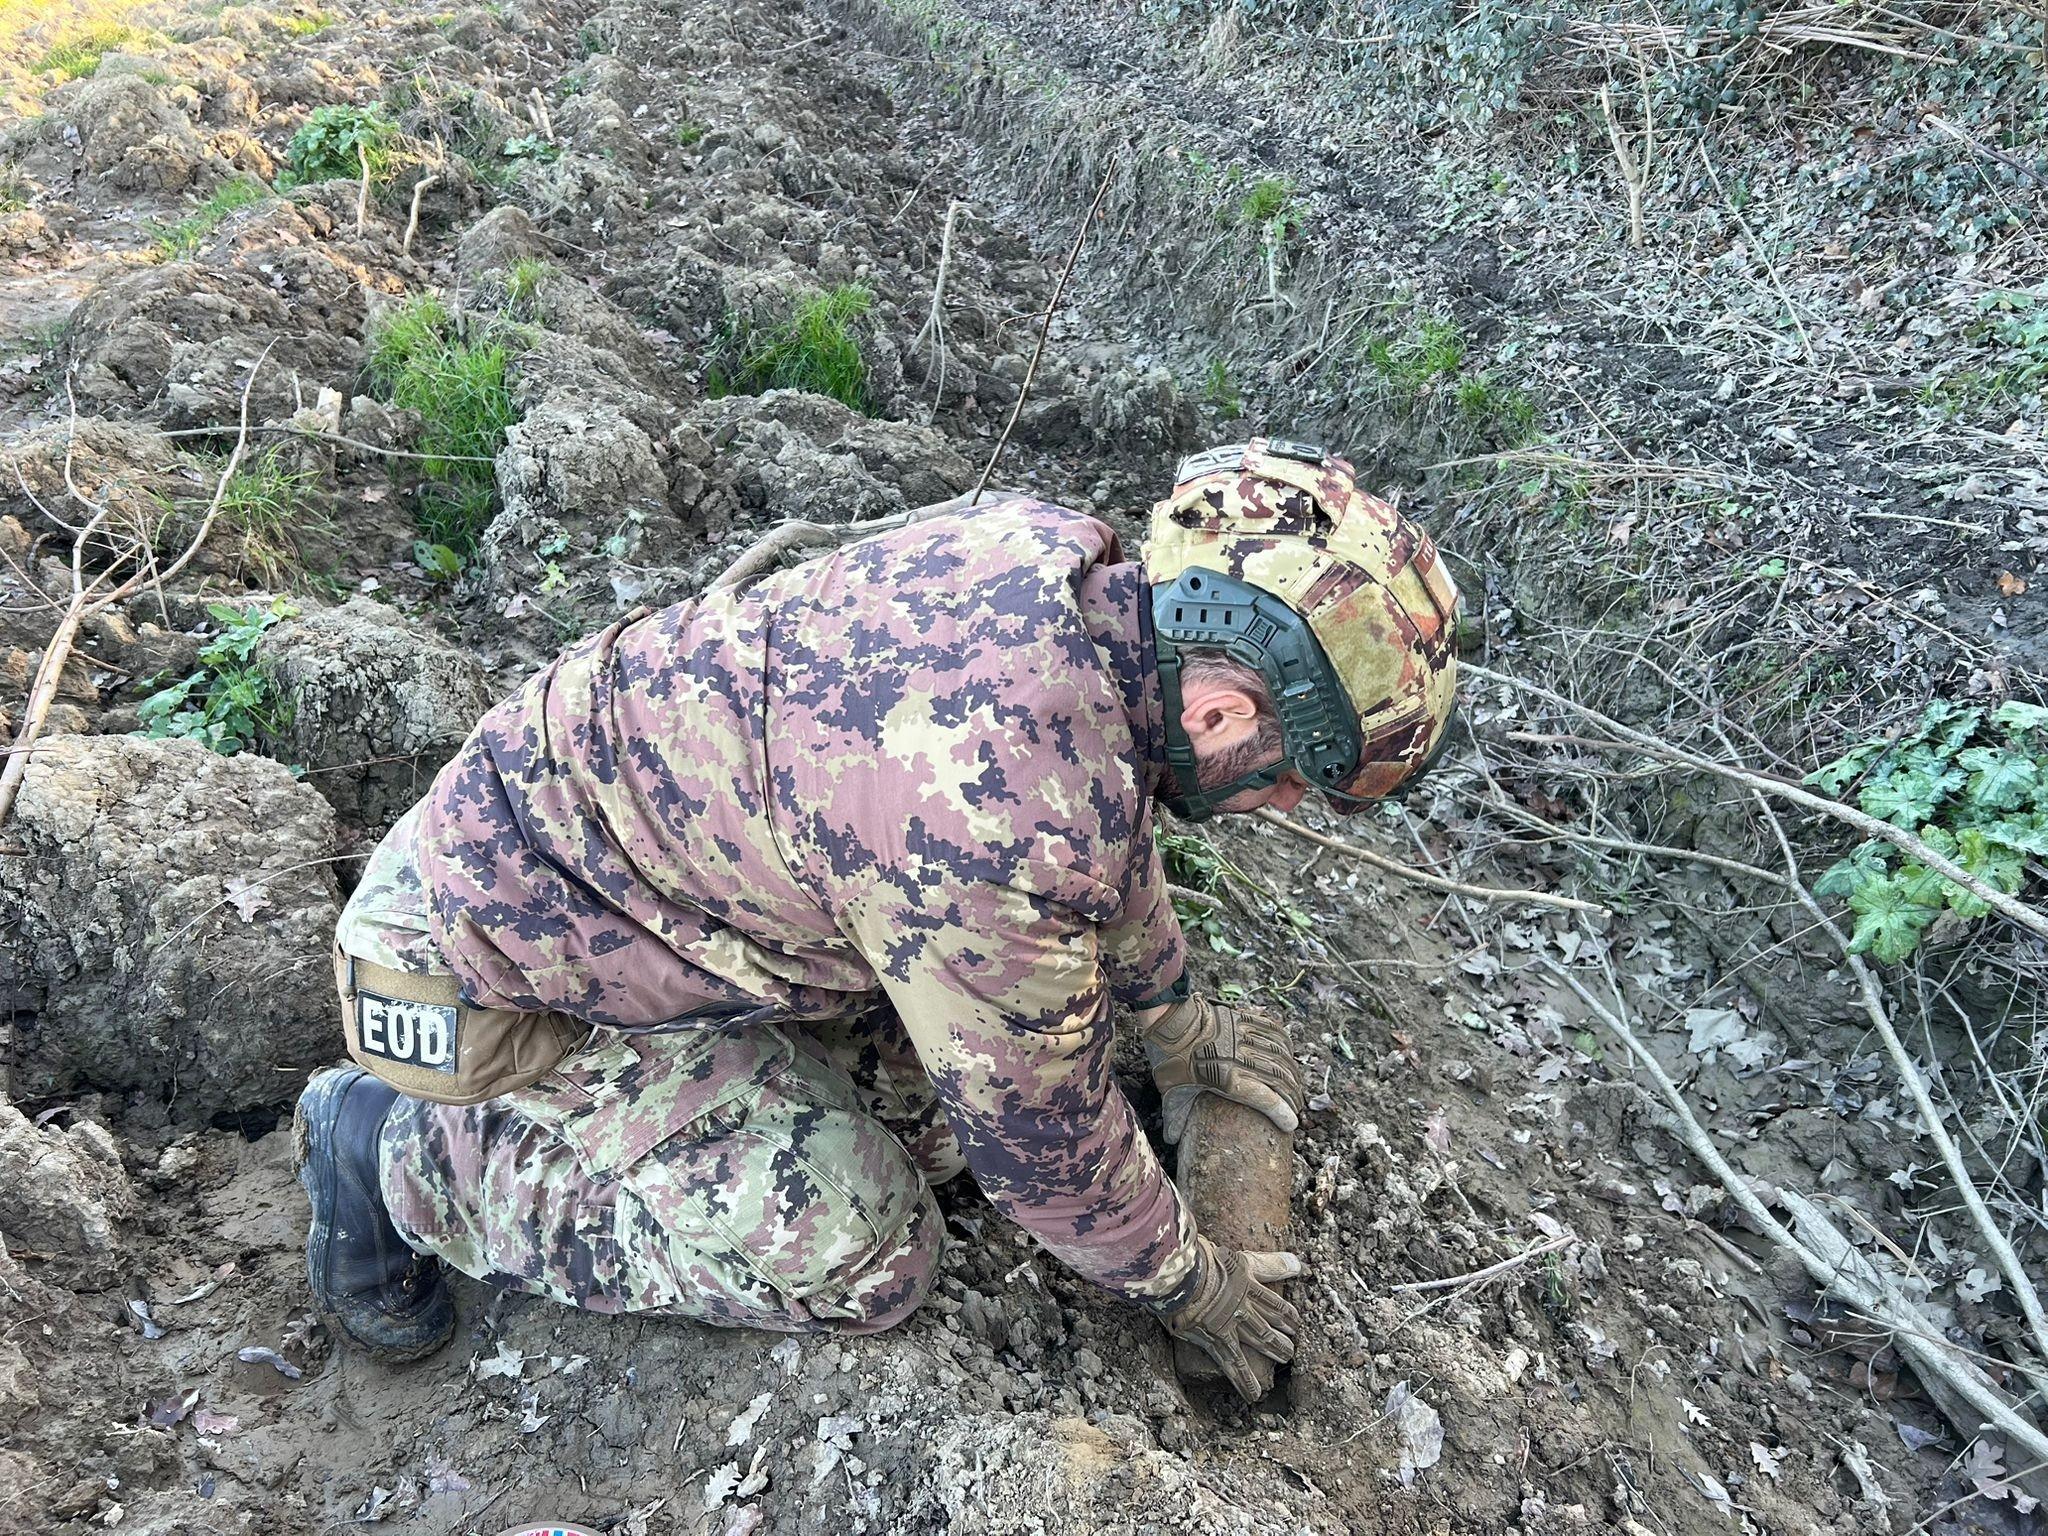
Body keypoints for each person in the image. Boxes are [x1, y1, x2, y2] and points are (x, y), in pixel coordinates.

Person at [293, 437, 1460, 1400]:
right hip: (484, 971)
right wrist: (1189, 1282)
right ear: (1215, 712)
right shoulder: (991, 816)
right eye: (1297, 773)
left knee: (925, 1121)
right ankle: (398, 1154)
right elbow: (1045, 1154)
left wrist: (1176, 1023)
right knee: (868, 1257)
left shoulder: (1063, 571)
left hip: (640, 876)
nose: (1287, 804)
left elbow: (1104, 836)